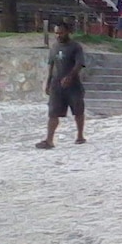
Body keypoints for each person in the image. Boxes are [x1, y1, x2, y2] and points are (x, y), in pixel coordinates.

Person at [36, 21, 86, 149]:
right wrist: (47, 82)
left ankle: (80, 135)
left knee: (78, 111)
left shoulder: (76, 47)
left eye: (61, 32)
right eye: (56, 33)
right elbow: (51, 65)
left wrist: (70, 76)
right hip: (56, 85)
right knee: (53, 112)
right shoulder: (54, 47)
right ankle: (49, 140)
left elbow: (79, 64)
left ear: (68, 32)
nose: (58, 35)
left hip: (73, 85)